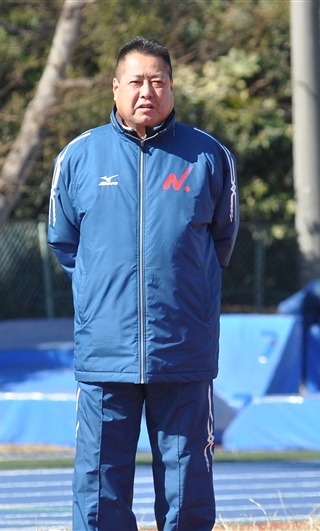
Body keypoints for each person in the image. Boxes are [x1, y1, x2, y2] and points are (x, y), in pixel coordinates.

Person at [47, 37, 239, 531]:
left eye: (158, 81)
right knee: (98, 492)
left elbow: (222, 242)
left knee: (187, 490)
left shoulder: (209, 156)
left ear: (172, 87)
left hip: (182, 350)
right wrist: (102, 296)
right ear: (115, 88)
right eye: (135, 81)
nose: (146, 91)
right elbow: (65, 243)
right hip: (105, 352)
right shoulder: (79, 157)